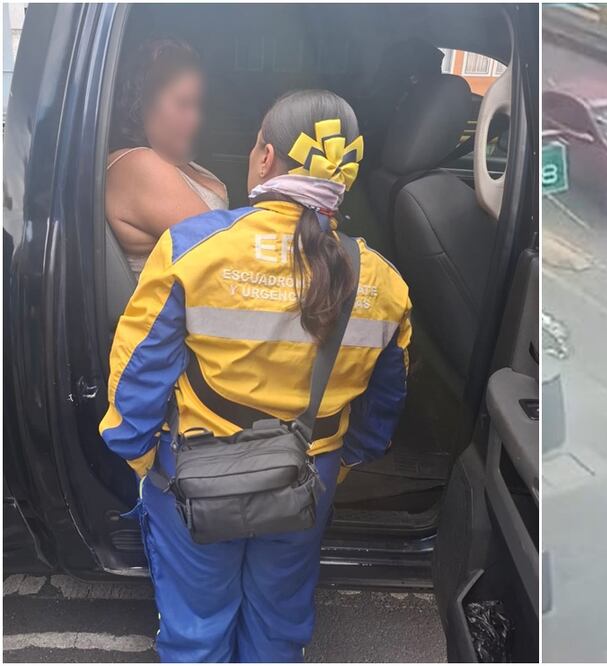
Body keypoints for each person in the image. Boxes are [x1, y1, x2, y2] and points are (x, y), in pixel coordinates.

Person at [99, 89, 412, 662]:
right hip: (308, 475)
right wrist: (344, 460)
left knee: (196, 628)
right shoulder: (385, 283)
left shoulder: (197, 249)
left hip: (195, 468)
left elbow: (139, 369)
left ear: (266, 157)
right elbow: (385, 399)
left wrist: (136, 452)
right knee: (278, 623)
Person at [106, 38, 228, 276]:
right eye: (183, 104)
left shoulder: (172, 160)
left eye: (198, 105)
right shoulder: (139, 166)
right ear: (141, 104)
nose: (196, 118)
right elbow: (225, 252)